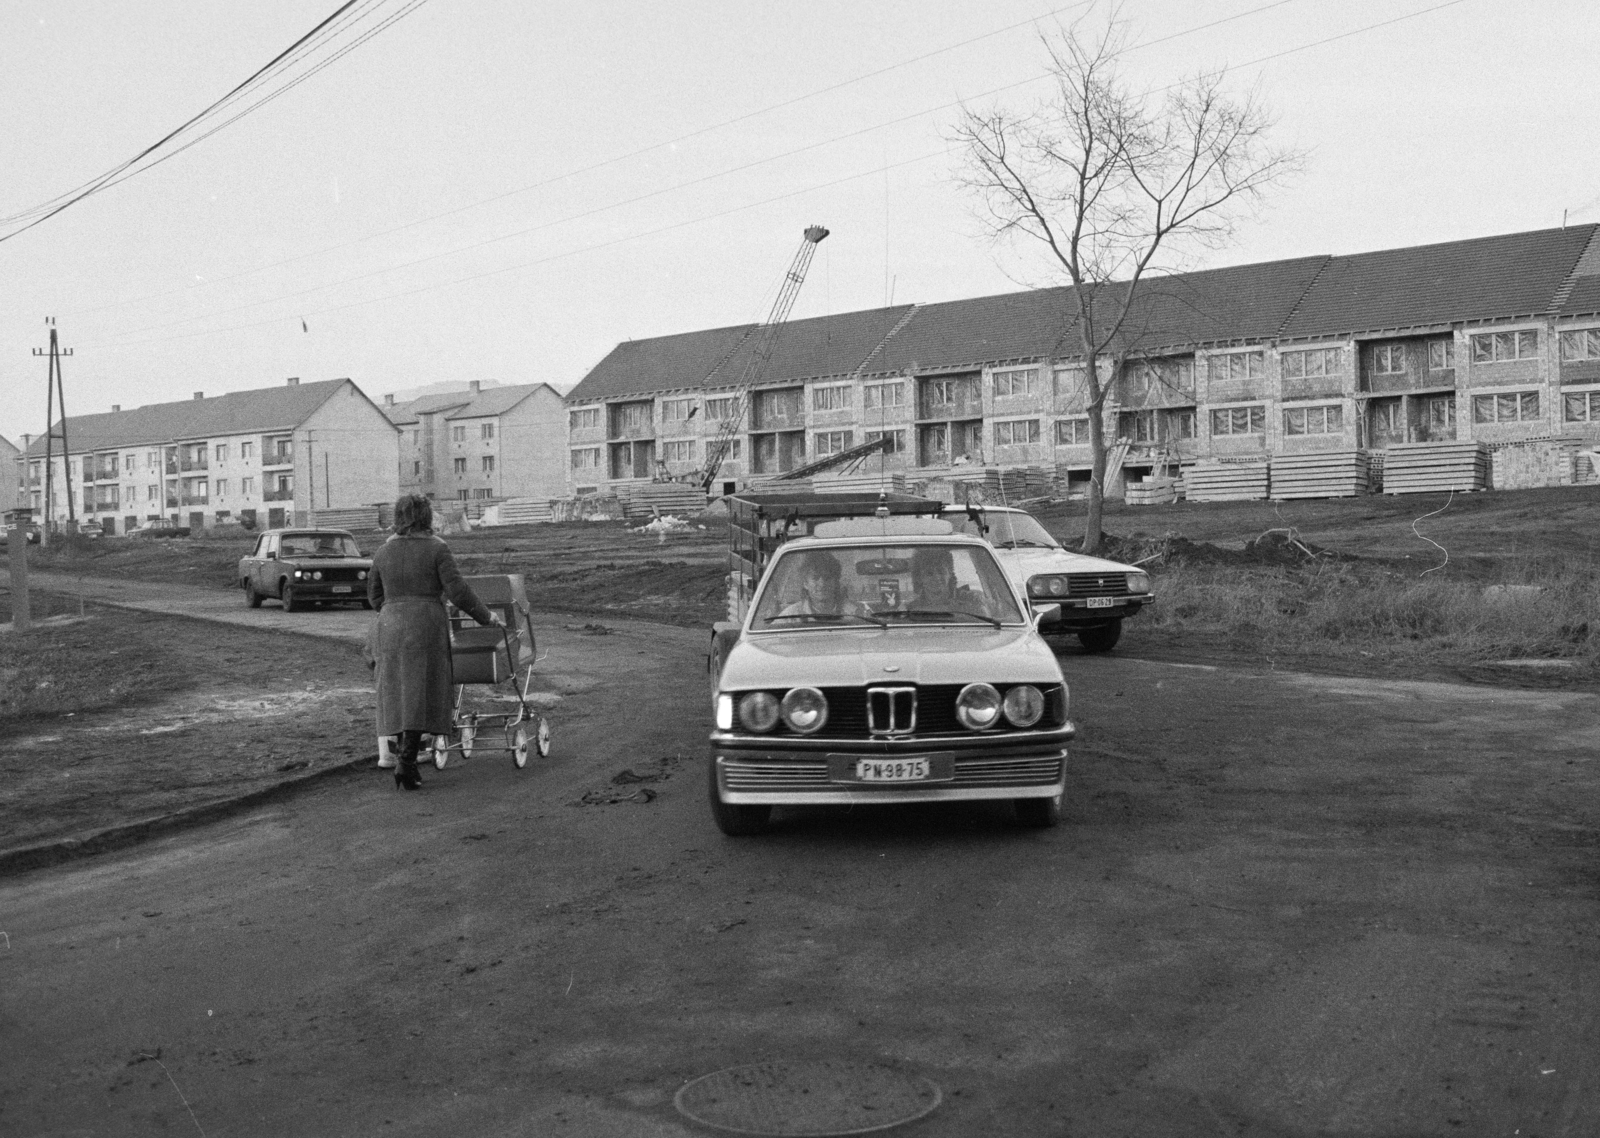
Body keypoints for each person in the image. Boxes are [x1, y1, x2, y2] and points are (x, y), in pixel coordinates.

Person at [367, 495, 502, 790]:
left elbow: (374, 596)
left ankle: (405, 760)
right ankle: (407, 762)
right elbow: (458, 591)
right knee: (422, 691)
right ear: (426, 516)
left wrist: (394, 610)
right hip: (426, 624)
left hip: (389, 625)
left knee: (397, 691)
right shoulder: (437, 548)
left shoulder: (383, 551)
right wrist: (485, 616)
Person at [778, 552, 854, 618]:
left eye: (827, 577)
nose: (822, 584)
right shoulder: (790, 616)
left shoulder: (856, 613)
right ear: (805, 583)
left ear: (835, 581)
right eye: (815, 578)